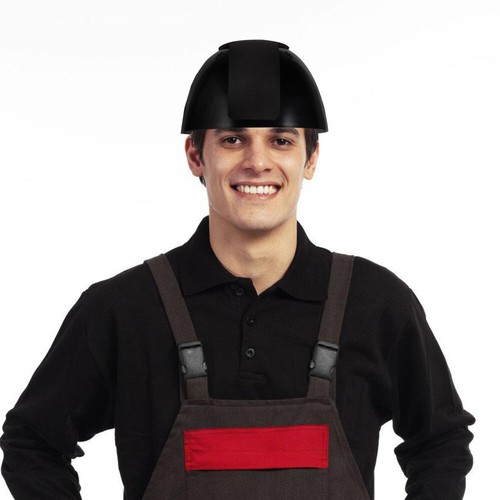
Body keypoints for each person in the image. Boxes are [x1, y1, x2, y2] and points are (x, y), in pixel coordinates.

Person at [1, 40, 474, 499]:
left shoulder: (375, 303)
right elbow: (32, 443)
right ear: (195, 157)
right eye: (232, 140)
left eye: (281, 141)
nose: (257, 162)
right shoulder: (123, 309)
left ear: (310, 158)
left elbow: (441, 441)